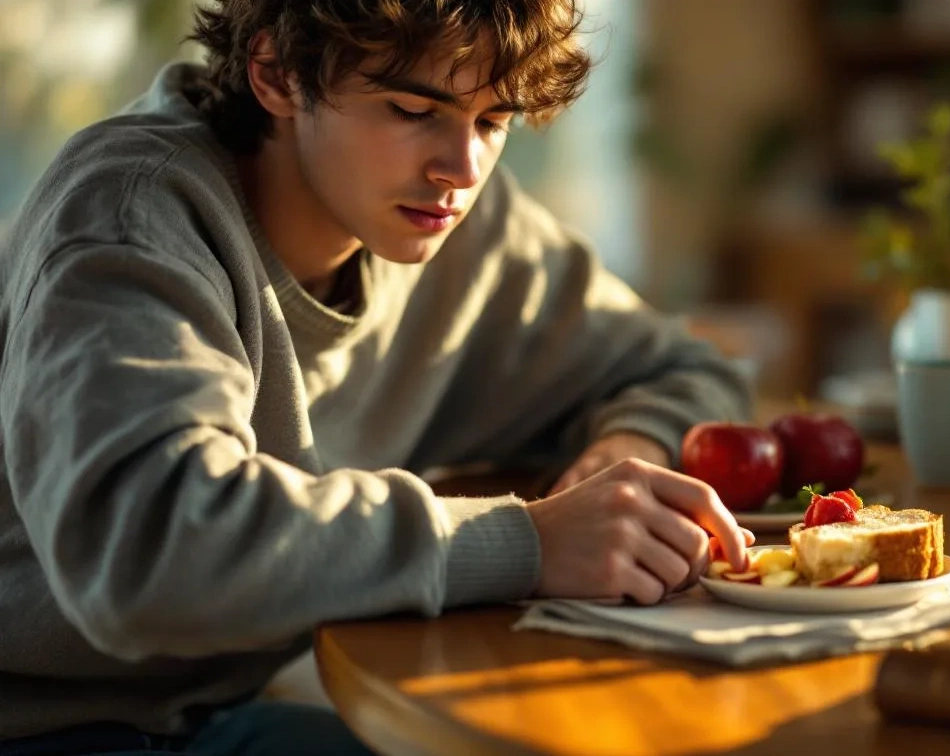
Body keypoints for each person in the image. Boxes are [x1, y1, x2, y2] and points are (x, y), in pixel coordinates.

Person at [0, 1, 754, 753]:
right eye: (410, 108)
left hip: (206, 717)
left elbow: (683, 367)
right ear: (276, 74)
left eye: (494, 121)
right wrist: (525, 542)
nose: (461, 169)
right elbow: (147, 553)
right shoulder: (132, 216)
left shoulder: (455, 224)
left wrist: (626, 449)